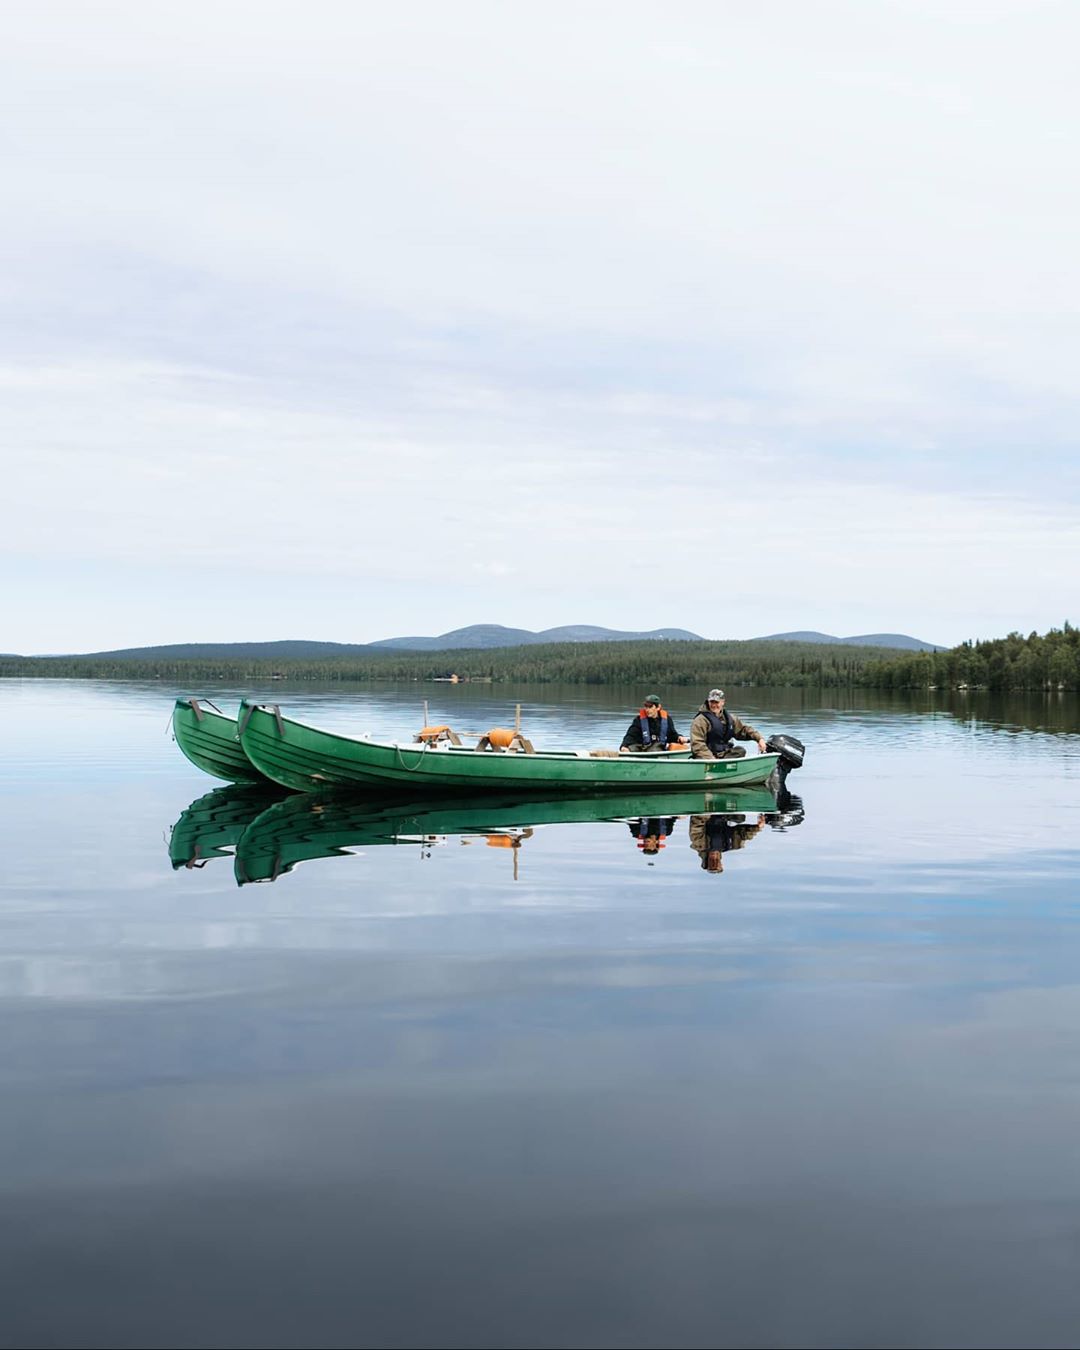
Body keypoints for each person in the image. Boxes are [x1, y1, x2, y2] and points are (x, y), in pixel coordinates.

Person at [689, 688, 767, 760]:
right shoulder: (700, 720)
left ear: (723, 702)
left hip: (723, 755)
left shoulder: (730, 718)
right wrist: (711, 759)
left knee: (740, 750)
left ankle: (725, 767)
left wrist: (759, 739)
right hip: (705, 757)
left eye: (716, 702)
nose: (713, 705)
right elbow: (697, 744)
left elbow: (744, 730)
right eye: (711, 702)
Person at [689, 812, 765, 872]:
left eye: (712, 864)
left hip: (707, 811)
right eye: (716, 864)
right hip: (724, 813)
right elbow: (743, 835)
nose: (714, 862)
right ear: (721, 863)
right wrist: (758, 827)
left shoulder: (699, 843)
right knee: (740, 818)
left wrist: (708, 811)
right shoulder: (731, 845)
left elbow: (696, 824)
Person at [620, 694, 688, 753]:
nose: (647, 710)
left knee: (656, 749)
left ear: (658, 707)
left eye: (650, 707)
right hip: (642, 747)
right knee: (629, 748)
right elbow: (630, 735)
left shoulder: (667, 720)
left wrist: (679, 737)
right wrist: (624, 746)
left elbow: (672, 735)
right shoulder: (639, 720)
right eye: (646, 706)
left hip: (657, 749)